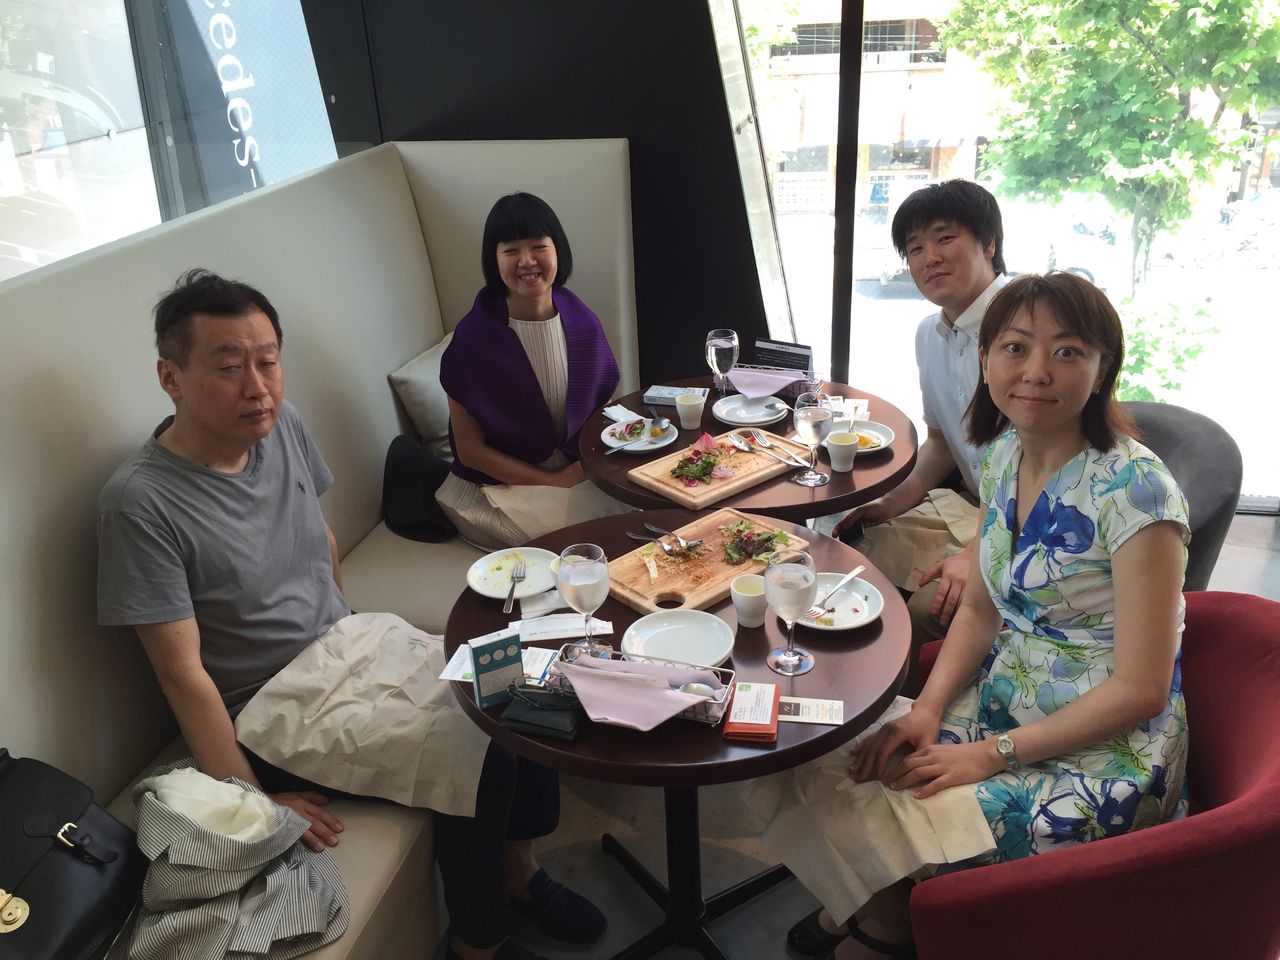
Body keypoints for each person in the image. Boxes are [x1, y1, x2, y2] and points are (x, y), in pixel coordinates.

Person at [96, 269, 605, 960]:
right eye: (229, 366)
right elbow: (181, 676)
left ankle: (520, 871)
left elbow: (323, 543)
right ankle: (477, 946)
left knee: (522, 683)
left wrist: (363, 639)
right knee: (473, 755)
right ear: (171, 377)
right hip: (270, 705)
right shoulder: (140, 504)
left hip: (347, 642)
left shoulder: (281, 426)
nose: (258, 386)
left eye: (268, 361)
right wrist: (254, 799)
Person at [758, 272, 1190, 959]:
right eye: (1016, 347)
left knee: (904, 801)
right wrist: (929, 710)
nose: (1037, 371)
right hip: (1006, 695)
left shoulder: (1139, 493)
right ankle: (887, 904)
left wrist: (989, 756)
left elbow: (1141, 688)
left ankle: (890, 923)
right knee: (836, 758)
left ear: (1103, 368)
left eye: (1068, 352)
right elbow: (982, 609)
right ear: (986, 360)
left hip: (1104, 745)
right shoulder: (1005, 455)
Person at [834, 180, 1009, 693]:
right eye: (914, 248)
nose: (929, 257)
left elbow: (1049, 471)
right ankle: (844, 691)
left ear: (989, 244)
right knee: (847, 553)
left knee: (924, 609)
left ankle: (906, 713)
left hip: (1030, 522)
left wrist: (977, 553)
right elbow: (941, 441)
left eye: (944, 238)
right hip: (975, 506)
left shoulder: (1024, 327)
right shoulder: (929, 333)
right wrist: (890, 502)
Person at [436, 191, 621, 548]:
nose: (526, 261)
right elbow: (471, 452)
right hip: (491, 489)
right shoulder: (473, 339)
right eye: (511, 250)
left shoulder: (582, 321)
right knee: (586, 548)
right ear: (494, 260)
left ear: (557, 251)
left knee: (644, 512)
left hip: (571, 473)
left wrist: (583, 470)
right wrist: (553, 481)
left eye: (538, 246)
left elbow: (601, 408)